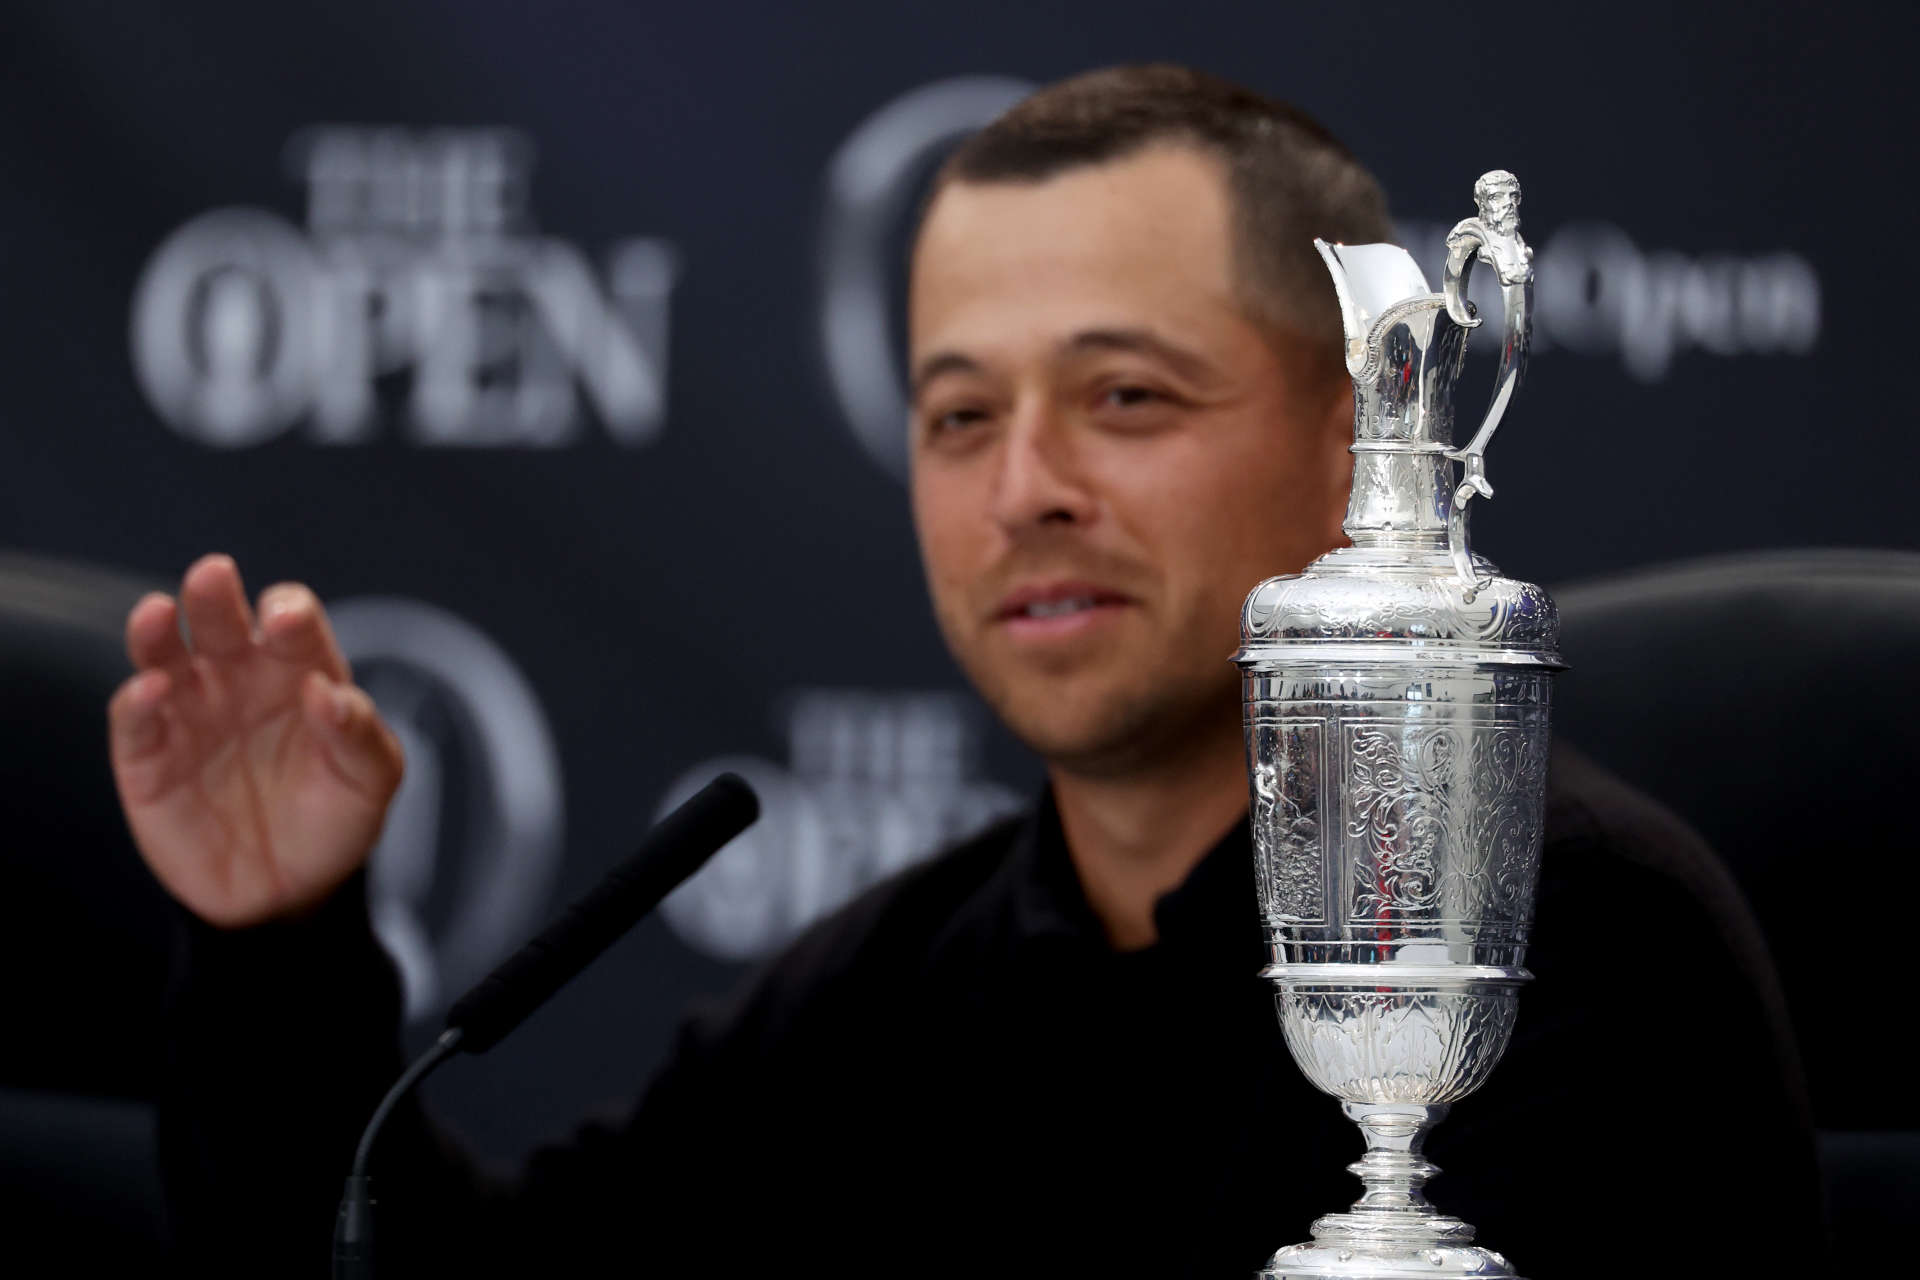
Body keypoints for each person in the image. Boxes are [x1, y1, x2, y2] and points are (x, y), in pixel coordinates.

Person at [109, 65, 1821, 1277]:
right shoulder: (890, 989)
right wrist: (275, 948)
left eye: (1128, 396)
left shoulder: (1565, 940)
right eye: (959, 416)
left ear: (1347, 436)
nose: (1025, 490)